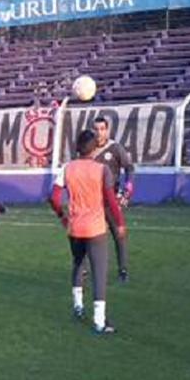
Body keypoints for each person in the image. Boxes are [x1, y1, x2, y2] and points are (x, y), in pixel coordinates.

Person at [50, 129, 127, 335]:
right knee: (99, 273)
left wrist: (62, 216)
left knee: (77, 264)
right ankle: (99, 321)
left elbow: (55, 198)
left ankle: (78, 306)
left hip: (74, 227)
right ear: (95, 149)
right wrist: (119, 222)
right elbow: (110, 200)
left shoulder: (67, 168)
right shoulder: (102, 170)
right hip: (95, 228)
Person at [91, 116, 134, 283]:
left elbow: (129, 168)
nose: (99, 132)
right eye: (96, 129)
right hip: (93, 201)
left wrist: (127, 191)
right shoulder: (88, 150)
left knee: (119, 234)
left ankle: (123, 270)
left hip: (111, 200)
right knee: (92, 237)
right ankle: (90, 270)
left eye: (102, 129)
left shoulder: (115, 148)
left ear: (107, 130)